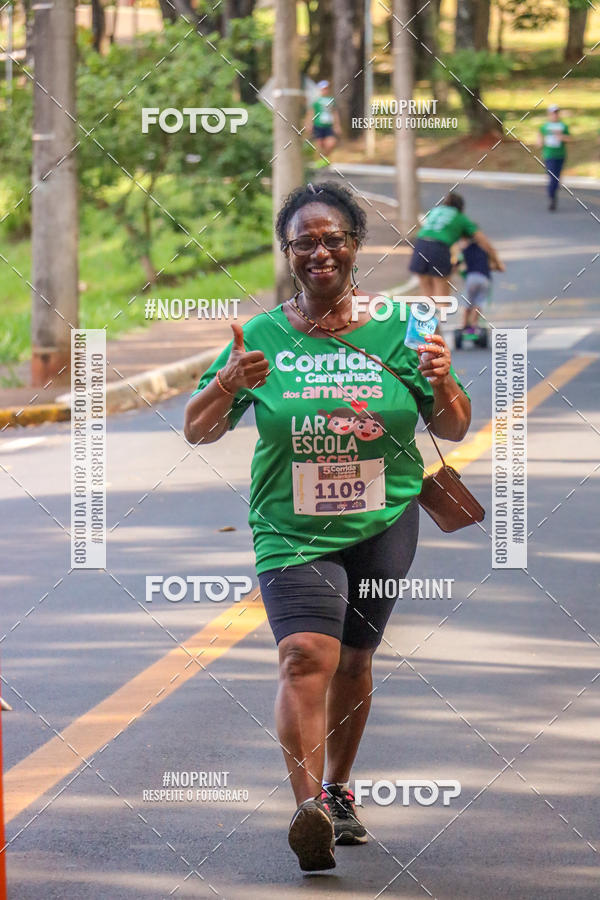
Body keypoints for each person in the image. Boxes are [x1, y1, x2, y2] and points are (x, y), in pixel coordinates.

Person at [184, 182, 472, 873]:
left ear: (354, 248)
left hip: (384, 516)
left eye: (334, 238)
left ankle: (338, 789)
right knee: (304, 656)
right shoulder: (258, 336)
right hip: (291, 527)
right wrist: (227, 385)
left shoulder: (402, 326)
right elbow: (197, 430)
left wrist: (444, 380)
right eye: (305, 241)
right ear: (288, 254)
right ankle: (307, 808)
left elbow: (452, 424)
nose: (321, 251)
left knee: (356, 658)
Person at [409, 192, 503, 298]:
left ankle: (424, 312)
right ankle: (441, 313)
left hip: (420, 245)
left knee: (426, 292)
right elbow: (485, 243)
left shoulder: (434, 211)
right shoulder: (460, 217)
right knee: (442, 293)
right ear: (461, 207)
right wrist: (497, 263)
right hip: (439, 247)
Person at [538, 105, 571, 211]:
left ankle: (554, 192)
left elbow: (569, 139)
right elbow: (539, 140)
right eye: (553, 113)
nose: (555, 115)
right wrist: (540, 142)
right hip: (549, 155)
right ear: (549, 114)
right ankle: (552, 197)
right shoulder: (545, 127)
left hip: (560, 155)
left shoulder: (563, 126)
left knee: (557, 178)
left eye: (556, 113)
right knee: (552, 177)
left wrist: (562, 137)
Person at [305, 80, 340, 159]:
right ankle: (319, 161)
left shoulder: (331, 100)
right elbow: (311, 112)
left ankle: (325, 158)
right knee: (319, 144)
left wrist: (337, 125)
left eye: (326, 88)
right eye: (323, 89)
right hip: (318, 125)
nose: (325, 90)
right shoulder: (315, 100)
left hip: (329, 125)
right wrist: (309, 124)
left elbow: (334, 113)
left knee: (330, 143)